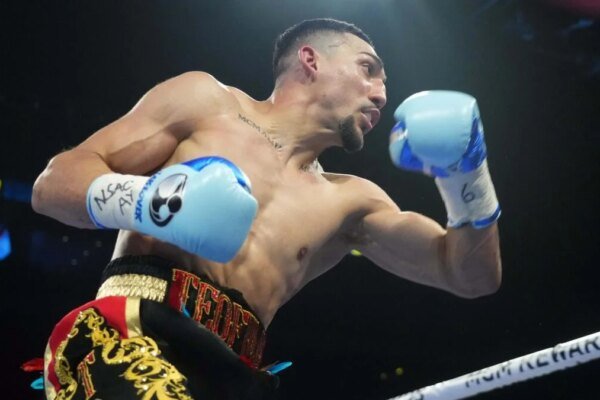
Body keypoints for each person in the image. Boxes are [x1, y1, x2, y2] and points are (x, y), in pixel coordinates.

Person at [31, 18, 502, 400]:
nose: (380, 93)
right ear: (311, 60)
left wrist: (468, 175)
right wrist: (153, 203)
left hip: (233, 375)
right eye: (368, 69)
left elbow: (468, 275)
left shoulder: (352, 201)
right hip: (134, 333)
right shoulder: (205, 103)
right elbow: (53, 184)